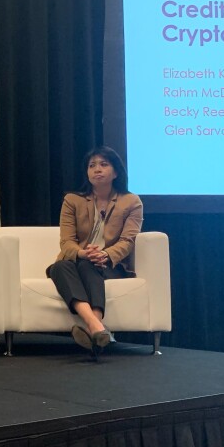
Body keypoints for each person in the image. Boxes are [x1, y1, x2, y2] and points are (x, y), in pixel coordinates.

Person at [47, 146, 143, 357]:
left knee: (88, 264)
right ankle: (97, 327)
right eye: (92, 166)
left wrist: (106, 255)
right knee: (59, 266)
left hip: (110, 266)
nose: (97, 170)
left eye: (103, 164)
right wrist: (83, 253)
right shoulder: (72, 200)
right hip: (77, 261)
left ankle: (93, 327)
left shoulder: (131, 202)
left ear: (116, 172)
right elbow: (67, 242)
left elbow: (128, 241)